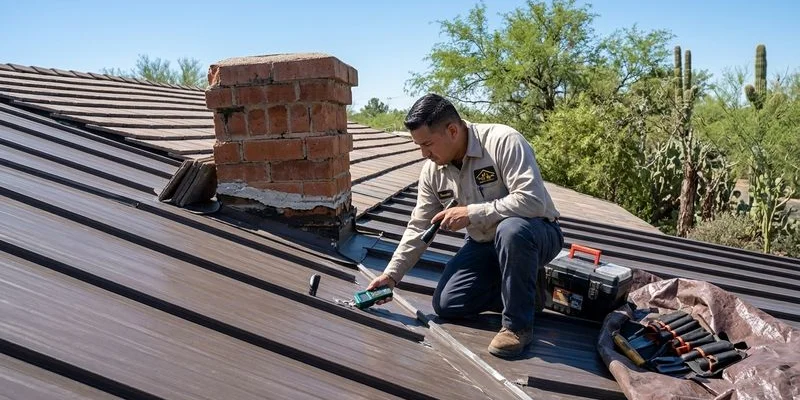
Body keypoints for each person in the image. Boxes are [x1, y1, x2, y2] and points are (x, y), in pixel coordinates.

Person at [367, 93, 564, 358]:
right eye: (419, 147)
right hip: (484, 243)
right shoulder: (432, 171)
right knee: (447, 303)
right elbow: (418, 226)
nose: (425, 154)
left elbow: (532, 201)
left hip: (535, 234)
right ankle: (527, 292)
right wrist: (391, 276)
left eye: (427, 144)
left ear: (452, 130)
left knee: (511, 230)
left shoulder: (503, 141)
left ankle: (517, 327)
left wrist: (471, 213)